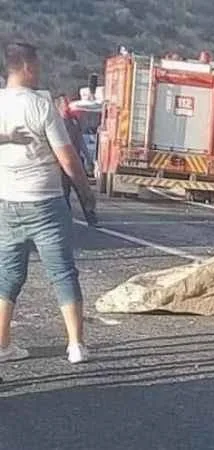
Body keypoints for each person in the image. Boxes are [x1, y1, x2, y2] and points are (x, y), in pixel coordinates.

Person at [0, 42, 94, 364]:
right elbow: (67, 158)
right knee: (63, 272)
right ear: (27, 67)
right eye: (37, 65)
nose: (39, 71)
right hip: (46, 203)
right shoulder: (41, 106)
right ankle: (76, 345)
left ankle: (2, 344)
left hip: (7, 201)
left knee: (8, 275)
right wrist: (85, 193)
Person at [54, 94, 97, 226]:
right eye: (64, 103)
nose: (67, 106)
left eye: (68, 103)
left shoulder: (74, 121)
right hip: (61, 164)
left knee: (82, 190)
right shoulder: (55, 122)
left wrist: (89, 158)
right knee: (64, 193)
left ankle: (91, 217)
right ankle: (66, 219)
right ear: (58, 106)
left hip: (77, 162)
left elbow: (80, 141)